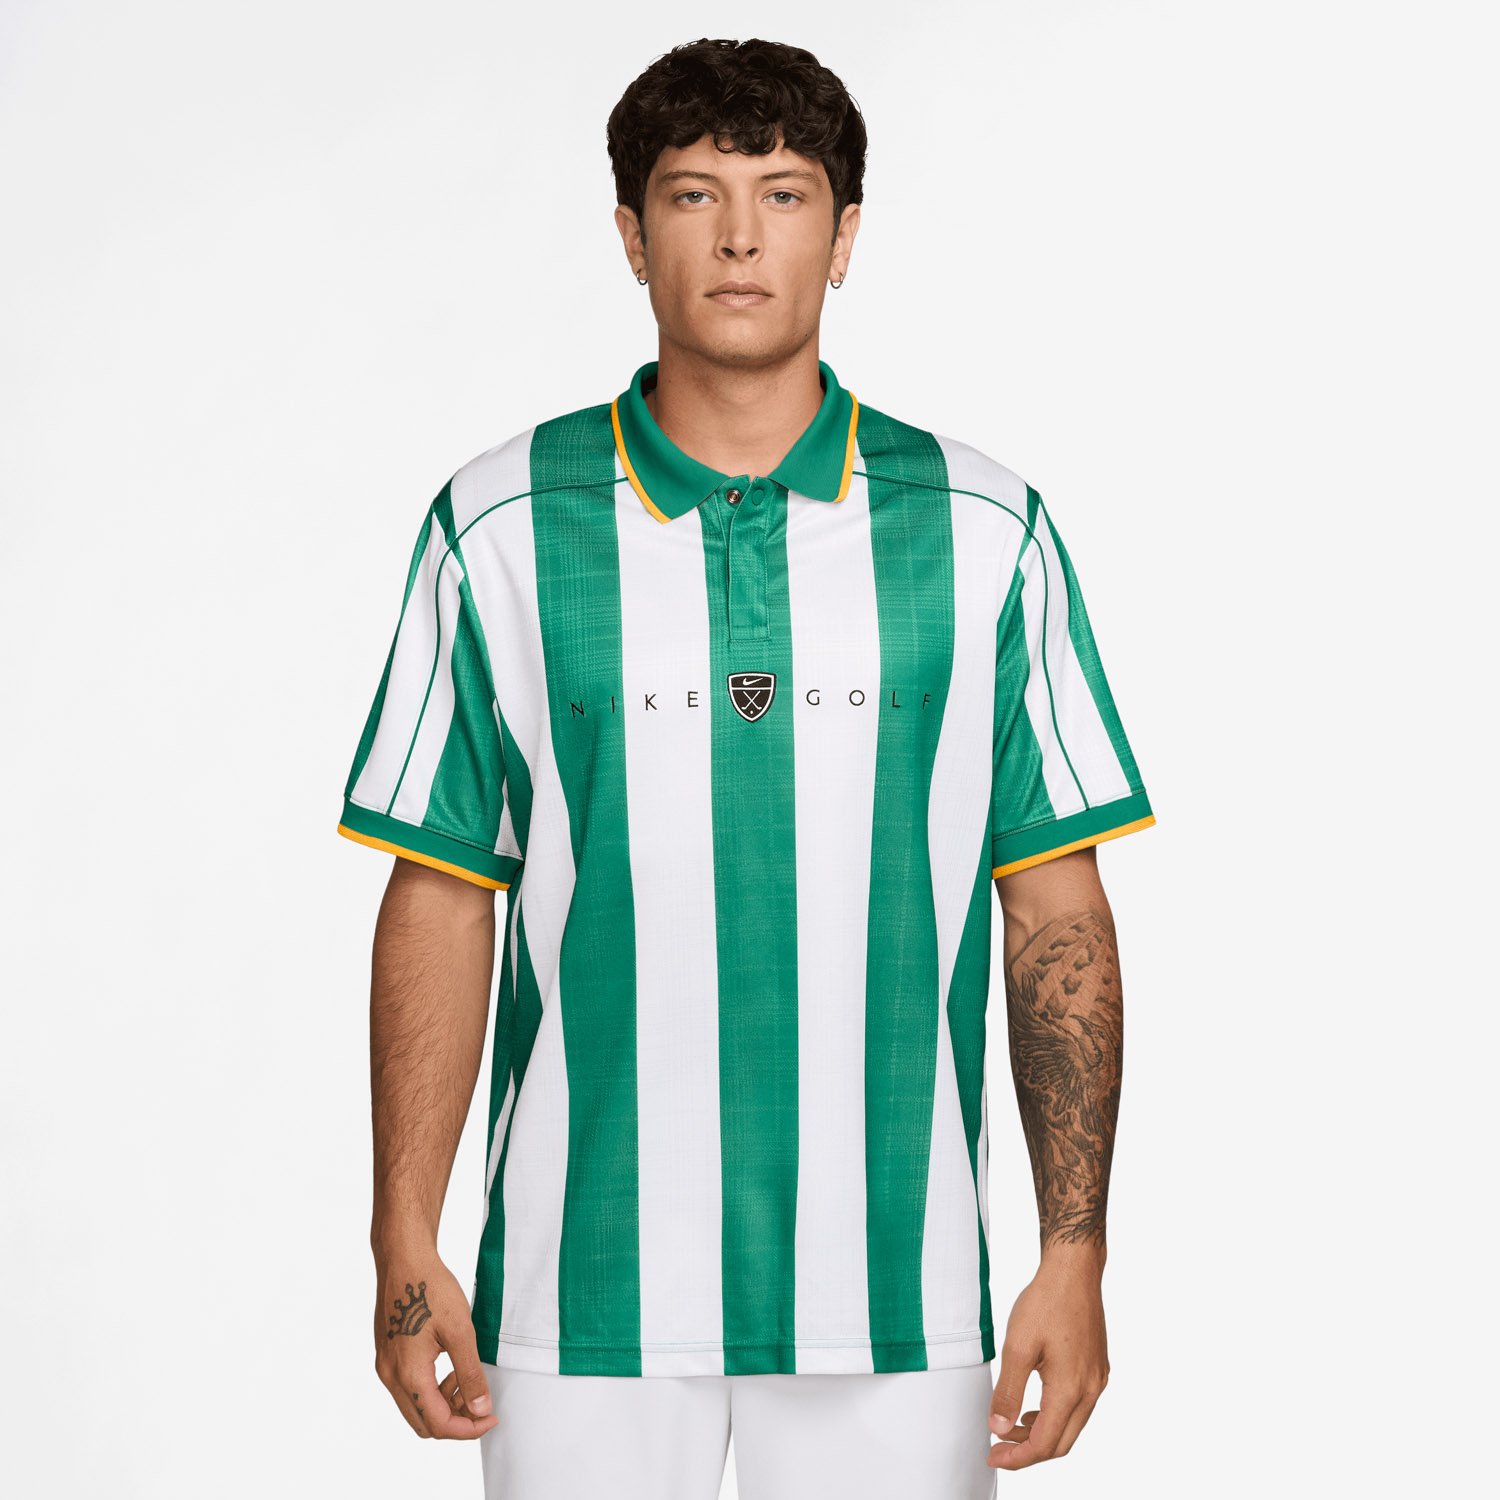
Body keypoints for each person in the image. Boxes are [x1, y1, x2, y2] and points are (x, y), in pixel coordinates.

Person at [335, 35, 1155, 1500]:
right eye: (692, 194)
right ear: (629, 233)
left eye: (782, 195)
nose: (736, 238)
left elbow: (1056, 911)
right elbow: (443, 895)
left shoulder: (984, 530)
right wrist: (406, 1237)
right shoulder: (500, 525)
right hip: (580, 1295)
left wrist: (1073, 1254)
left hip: (900, 1294)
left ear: (843, 237)